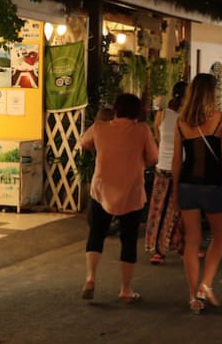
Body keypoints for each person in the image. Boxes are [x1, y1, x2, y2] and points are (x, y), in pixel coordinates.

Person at [173, 74, 222, 314]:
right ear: (212, 94)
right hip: (212, 185)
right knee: (220, 236)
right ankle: (205, 285)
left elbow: (176, 161)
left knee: (192, 241)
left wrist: (175, 191)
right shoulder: (221, 120)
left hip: (187, 185)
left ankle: (193, 297)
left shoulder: (181, 122)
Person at [80, 94, 158, 304]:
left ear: (116, 109)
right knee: (129, 240)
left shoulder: (100, 127)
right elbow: (154, 157)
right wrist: (138, 161)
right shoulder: (142, 130)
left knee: (96, 234)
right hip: (131, 192)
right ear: (137, 112)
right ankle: (125, 289)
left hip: (102, 189)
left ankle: (90, 278)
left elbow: (84, 142)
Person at [145, 81, 187, 265]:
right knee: (180, 210)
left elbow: (158, 136)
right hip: (181, 168)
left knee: (158, 210)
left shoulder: (162, 114)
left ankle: (158, 249)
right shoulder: (188, 117)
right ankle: (179, 247)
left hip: (162, 166)